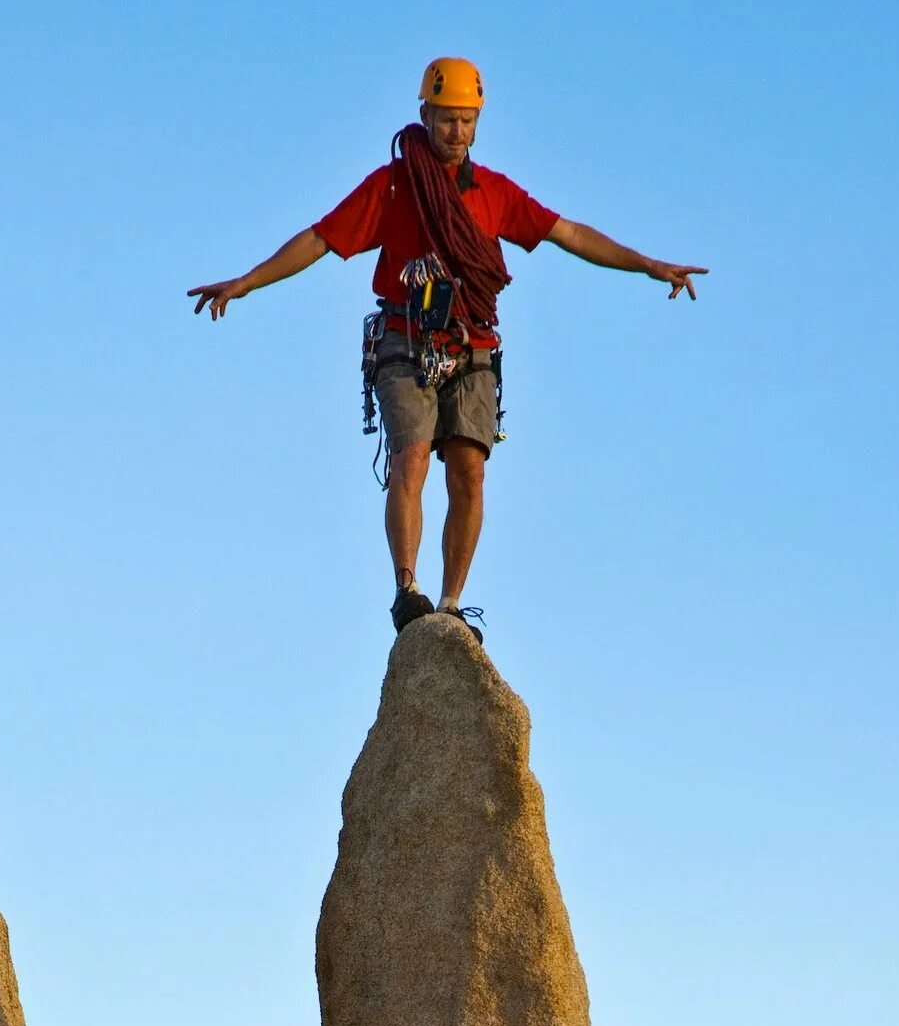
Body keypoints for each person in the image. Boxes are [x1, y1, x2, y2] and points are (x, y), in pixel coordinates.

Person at [188, 57, 706, 643]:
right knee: (411, 457)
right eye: (445, 120)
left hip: (473, 342)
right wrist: (248, 281)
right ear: (424, 114)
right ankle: (409, 593)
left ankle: (452, 604)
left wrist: (646, 265)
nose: (456, 132)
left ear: (478, 119)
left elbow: (568, 233)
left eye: (466, 120)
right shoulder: (392, 186)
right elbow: (319, 239)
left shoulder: (494, 192)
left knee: (470, 470)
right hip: (405, 336)